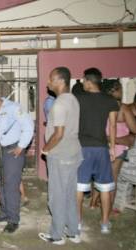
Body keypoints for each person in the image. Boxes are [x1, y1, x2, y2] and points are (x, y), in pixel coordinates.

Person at [0, 89, 34, 233]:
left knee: (10, 185)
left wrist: (21, 146)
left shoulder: (13, 108)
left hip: (12, 151)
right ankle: (4, 213)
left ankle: (13, 220)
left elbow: (28, 126)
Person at [38, 67, 82, 245]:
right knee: (70, 194)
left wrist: (45, 149)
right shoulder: (73, 99)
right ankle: (73, 232)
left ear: (60, 81)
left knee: (56, 196)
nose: (48, 82)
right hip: (73, 153)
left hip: (60, 154)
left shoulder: (60, 104)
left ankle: (56, 236)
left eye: (50, 79)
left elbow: (58, 134)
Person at [75, 68, 119, 234]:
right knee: (105, 187)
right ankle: (105, 224)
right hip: (101, 148)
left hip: (82, 147)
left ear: (88, 81)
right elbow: (113, 125)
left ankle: (78, 222)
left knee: (78, 187)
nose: (83, 83)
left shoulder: (78, 99)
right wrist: (113, 148)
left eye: (84, 81)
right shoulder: (110, 101)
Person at [90, 79, 136, 211]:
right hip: (118, 147)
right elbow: (135, 129)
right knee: (112, 180)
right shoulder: (122, 108)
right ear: (115, 90)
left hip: (101, 143)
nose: (122, 91)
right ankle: (107, 213)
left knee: (101, 175)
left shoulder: (98, 105)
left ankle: (93, 203)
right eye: (120, 89)